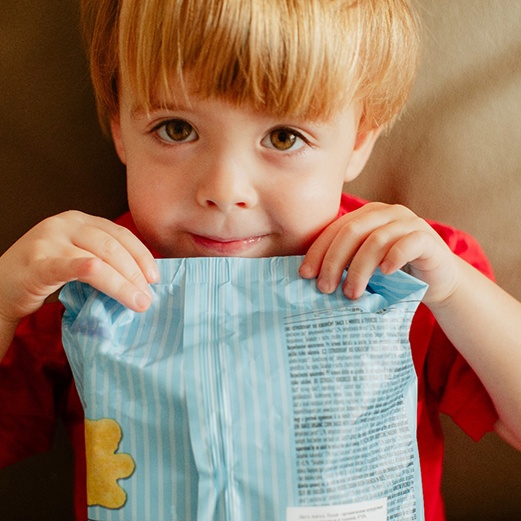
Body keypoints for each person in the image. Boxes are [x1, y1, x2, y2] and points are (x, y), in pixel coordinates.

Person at [1, 0, 521, 519]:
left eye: (283, 137)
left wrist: (454, 290)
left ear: (359, 140)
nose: (225, 191)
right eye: (176, 129)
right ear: (119, 128)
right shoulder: (85, 277)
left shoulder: (405, 268)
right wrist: (4, 304)